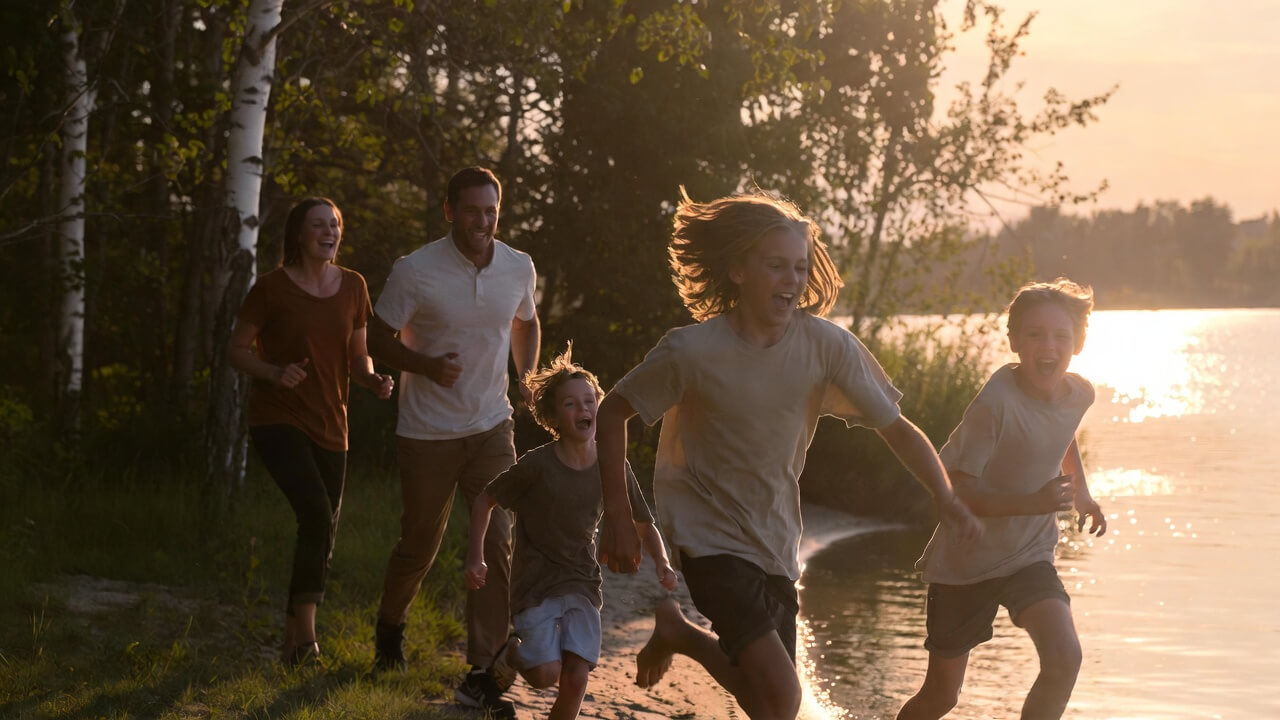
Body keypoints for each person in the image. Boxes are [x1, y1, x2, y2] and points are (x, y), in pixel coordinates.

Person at [594, 190, 984, 720]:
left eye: (799, 268)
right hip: (707, 537)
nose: (792, 281)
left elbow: (896, 428)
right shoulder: (691, 351)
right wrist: (618, 514)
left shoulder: (827, 347)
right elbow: (612, 411)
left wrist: (944, 495)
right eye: (776, 266)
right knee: (786, 698)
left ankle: (679, 633)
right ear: (737, 270)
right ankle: (681, 632)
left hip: (777, 542)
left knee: (767, 706)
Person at [368, 167, 539, 718]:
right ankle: (390, 633)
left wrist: (528, 378)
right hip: (427, 433)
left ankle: (484, 669)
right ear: (449, 211)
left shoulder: (518, 266)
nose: (482, 221)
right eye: (471, 211)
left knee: (496, 543)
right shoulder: (415, 271)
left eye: (491, 211)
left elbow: (526, 321)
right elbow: (376, 336)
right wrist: (423, 365)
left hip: (492, 425)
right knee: (419, 544)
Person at [896, 278, 1108, 720]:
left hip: (1030, 555)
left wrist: (1082, 494)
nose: (1048, 346)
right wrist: (1036, 501)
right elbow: (957, 490)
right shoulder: (996, 403)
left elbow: (1061, 435)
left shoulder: (1080, 394)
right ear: (1014, 340)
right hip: (965, 564)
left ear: (1079, 343)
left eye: (1060, 336)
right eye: (1034, 334)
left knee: (1064, 657)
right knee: (941, 698)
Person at [464, 344, 677, 720]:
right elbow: (485, 500)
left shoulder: (613, 464)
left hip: (581, 581)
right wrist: (477, 556)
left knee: (576, 677)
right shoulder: (537, 465)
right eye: (571, 404)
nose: (584, 410)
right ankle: (512, 652)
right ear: (553, 416)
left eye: (589, 401)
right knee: (547, 674)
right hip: (535, 584)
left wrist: (662, 562)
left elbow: (643, 522)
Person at [227, 197, 395, 665]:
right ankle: (307, 643)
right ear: (298, 234)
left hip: (332, 423)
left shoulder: (354, 287)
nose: (330, 231)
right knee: (317, 515)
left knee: (320, 531)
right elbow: (236, 350)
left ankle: (288, 645)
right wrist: (273, 371)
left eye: (335, 224)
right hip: (277, 417)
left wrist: (372, 379)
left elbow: (358, 357)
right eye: (319, 225)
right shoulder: (271, 289)